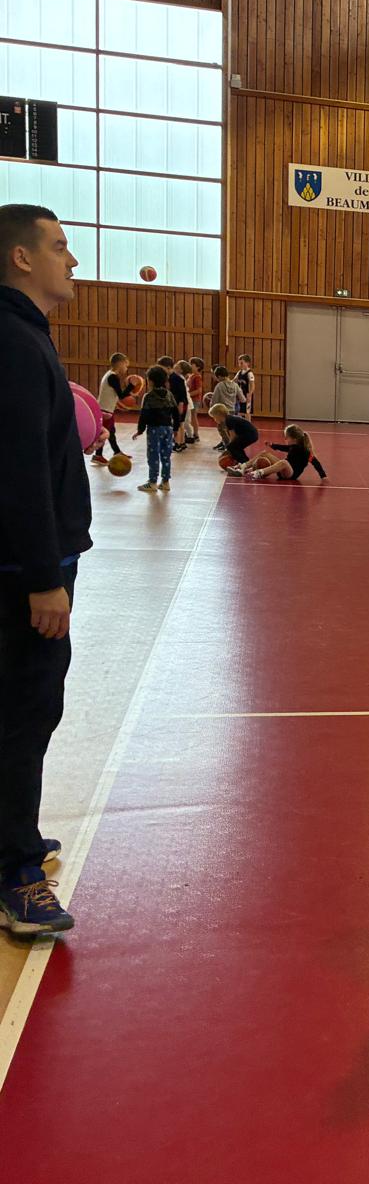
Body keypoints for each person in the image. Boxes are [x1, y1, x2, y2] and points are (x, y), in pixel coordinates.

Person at [0, 203, 88, 935]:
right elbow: (20, 468)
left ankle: (14, 838)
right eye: (59, 246)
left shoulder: (25, 336)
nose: (72, 259)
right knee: (24, 714)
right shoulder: (14, 342)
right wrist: (41, 577)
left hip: (28, 564)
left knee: (25, 710)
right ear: (21, 257)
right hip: (23, 573)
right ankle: (16, 873)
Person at [133, 365, 180, 493]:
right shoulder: (169, 395)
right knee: (166, 456)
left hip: (154, 430)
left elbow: (144, 415)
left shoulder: (148, 396)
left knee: (153, 455)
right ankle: (165, 482)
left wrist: (140, 430)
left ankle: (152, 482)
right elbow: (176, 413)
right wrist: (176, 428)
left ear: (151, 381)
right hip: (168, 429)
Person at [230, 424, 327, 482]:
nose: (285, 439)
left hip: (291, 474)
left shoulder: (305, 451)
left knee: (284, 462)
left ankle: (258, 473)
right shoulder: (292, 447)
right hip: (283, 470)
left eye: (287, 437)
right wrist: (272, 445)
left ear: (294, 439)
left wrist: (323, 475)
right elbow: (283, 447)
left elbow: (315, 462)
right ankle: (243, 467)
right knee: (264, 453)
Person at [91, 352, 134, 464]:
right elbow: (121, 395)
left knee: (111, 432)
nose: (126, 368)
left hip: (105, 409)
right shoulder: (113, 377)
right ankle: (98, 455)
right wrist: (132, 386)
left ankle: (116, 452)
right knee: (104, 433)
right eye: (126, 365)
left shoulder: (109, 375)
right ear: (120, 364)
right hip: (105, 410)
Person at [155, 357, 190, 451]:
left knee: (178, 423)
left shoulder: (177, 378)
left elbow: (182, 393)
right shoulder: (166, 378)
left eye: (162, 368)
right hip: (173, 403)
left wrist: (181, 404)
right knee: (178, 423)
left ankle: (178, 443)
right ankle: (181, 442)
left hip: (180, 403)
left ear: (168, 367)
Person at [209, 403, 258, 468]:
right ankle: (246, 462)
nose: (214, 420)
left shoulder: (229, 420)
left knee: (232, 447)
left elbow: (233, 437)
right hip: (251, 434)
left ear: (219, 414)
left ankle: (244, 463)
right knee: (236, 447)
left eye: (215, 417)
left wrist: (228, 449)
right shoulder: (229, 419)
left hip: (250, 434)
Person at [209, 368, 243, 449]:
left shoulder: (219, 386)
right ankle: (226, 444)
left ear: (219, 376)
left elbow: (214, 400)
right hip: (232, 411)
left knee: (222, 429)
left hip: (222, 411)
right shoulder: (235, 385)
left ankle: (228, 447)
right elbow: (242, 399)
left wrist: (211, 407)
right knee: (229, 429)